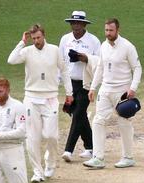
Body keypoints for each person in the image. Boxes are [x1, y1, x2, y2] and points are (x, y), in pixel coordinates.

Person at [8, 24, 73, 182]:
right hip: (31, 97)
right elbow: (11, 60)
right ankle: (37, 172)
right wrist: (22, 42)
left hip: (50, 98)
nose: (36, 41)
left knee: (51, 135)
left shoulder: (54, 50)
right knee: (32, 137)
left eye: (38, 37)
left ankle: (50, 164)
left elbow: (64, 70)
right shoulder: (27, 51)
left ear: (44, 35)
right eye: (34, 38)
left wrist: (69, 93)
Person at [84, 18, 142, 169]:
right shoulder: (103, 46)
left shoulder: (128, 46)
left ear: (117, 30)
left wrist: (133, 88)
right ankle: (98, 158)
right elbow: (100, 68)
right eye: (106, 30)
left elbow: (137, 68)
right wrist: (92, 88)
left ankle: (128, 157)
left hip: (122, 91)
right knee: (98, 120)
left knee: (124, 122)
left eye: (111, 30)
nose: (108, 33)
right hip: (105, 89)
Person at [59, 10, 101, 162]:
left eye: (79, 23)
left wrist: (85, 58)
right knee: (79, 114)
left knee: (77, 114)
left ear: (84, 24)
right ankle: (91, 147)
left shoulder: (93, 41)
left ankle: (68, 150)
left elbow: (99, 62)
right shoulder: (65, 39)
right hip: (70, 83)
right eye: (73, 23)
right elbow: (61, 61)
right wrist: (60, 81)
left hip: (86, 83)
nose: (75, 26)